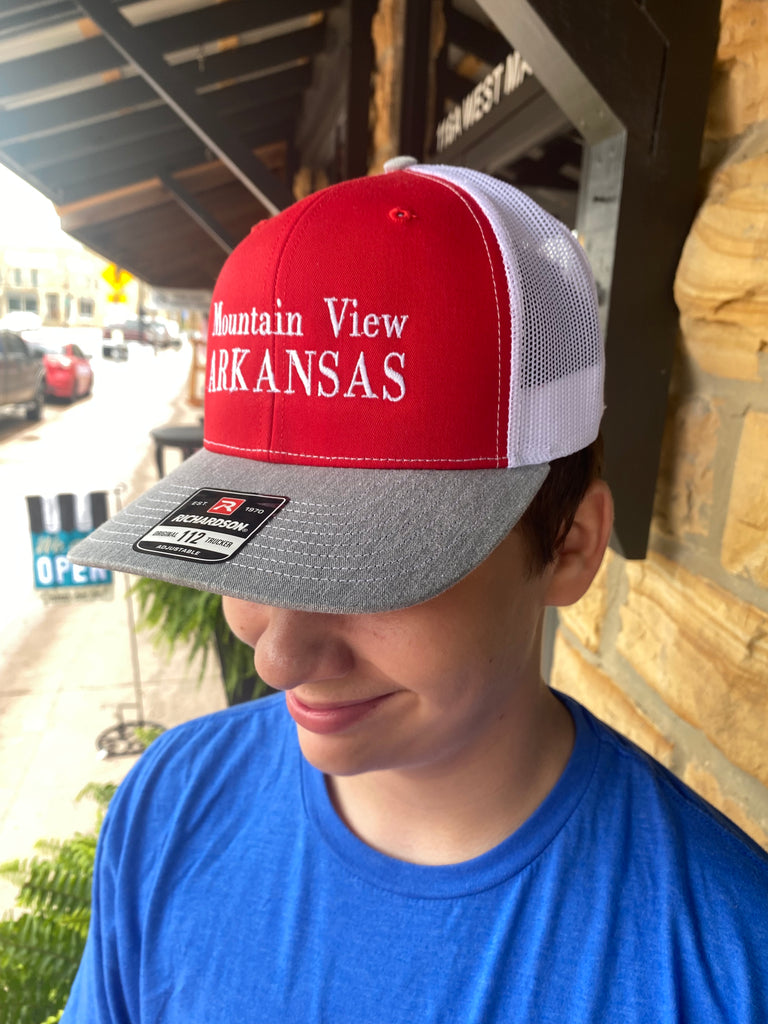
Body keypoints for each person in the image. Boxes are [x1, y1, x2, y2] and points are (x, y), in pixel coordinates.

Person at [65, 160, 768, 1023]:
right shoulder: (170, 805)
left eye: (369, 570)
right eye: (246, 556)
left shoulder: (726, 961)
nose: (280, 659)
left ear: (570, 546)